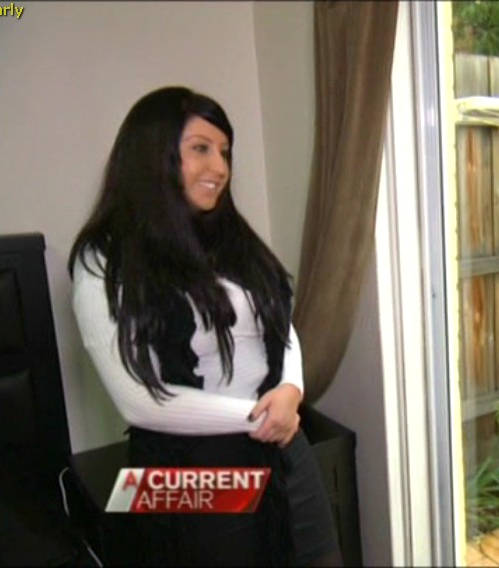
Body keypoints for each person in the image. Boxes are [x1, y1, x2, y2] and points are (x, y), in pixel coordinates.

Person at [69, 86, 342, 566]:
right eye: (201, 148)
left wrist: (292, 390)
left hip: (282, 444)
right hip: (189, 469)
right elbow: (137, 400)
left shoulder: (229, 236)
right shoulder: (103, 260)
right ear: (153, 154)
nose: (220, 166)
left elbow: (278, 325)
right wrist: (260, 417)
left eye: (225, 151)